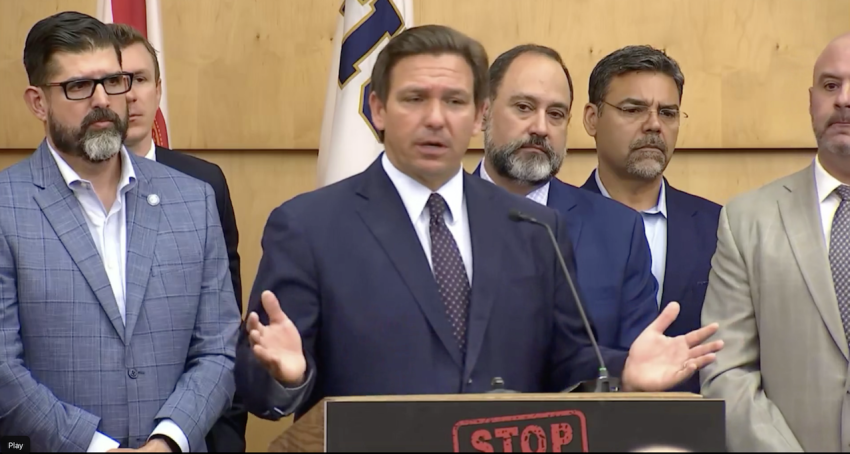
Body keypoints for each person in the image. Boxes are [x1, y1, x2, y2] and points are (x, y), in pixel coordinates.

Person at [235, 24, 723, 420]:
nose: (435, 119)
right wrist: (287, 375)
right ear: (377, 109)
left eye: (453, 102)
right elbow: (259, 388)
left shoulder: (534, 227)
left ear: (476, 116)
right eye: (414, 99)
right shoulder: (309, 226)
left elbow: (568, 363)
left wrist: (623, 373)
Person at [0, 11, 240, 452]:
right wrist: (98, 447)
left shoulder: (193, 198)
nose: (103, 100)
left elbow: (218, 349)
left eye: (114, 82)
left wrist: (168, 440)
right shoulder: (5, 206)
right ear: (38, 102)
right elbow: (3, 369)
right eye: (78, 86)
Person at [700, 32, 850, 451]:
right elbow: (726, 371)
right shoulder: (747, 220)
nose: (843, 99)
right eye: (830, 85)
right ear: (811, 100)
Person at [107, 22, 247, 452]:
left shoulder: (203, 185)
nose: (130, 95)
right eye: (117, 81)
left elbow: (223, 332)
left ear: (159, 91)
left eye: (141, 80)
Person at [475, 44, 658, 352]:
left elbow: (637, 366)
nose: (541, 128)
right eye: (523, 107)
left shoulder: (619, 232)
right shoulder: (437, 214)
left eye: (556, 114)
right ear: (484, 113)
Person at [580, 45, 722, 393]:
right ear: (591, 119)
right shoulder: (552, 223)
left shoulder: (719, 227)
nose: (654, 125)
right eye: (633, 109)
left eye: (668, 112)